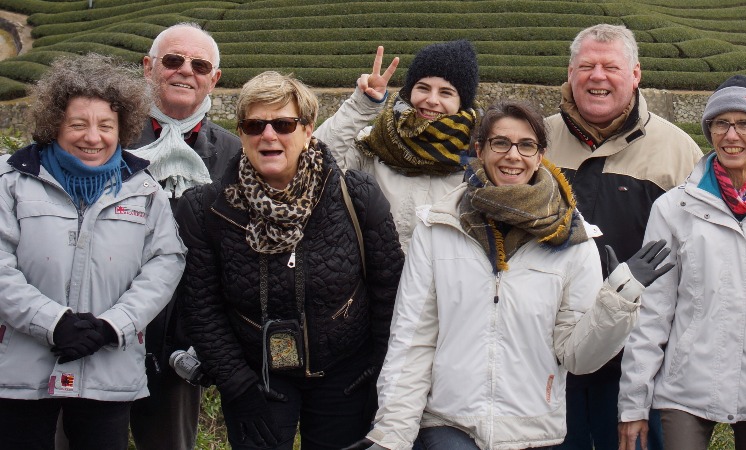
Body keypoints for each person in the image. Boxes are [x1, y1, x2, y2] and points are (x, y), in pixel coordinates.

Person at [353, 100, 673, 450]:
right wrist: (392, 436)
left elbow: (579, 357)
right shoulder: (437, 228)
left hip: (533, 428)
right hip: (449, 421)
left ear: (540, 155)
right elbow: (412, 340)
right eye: (500, 143)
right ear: (480, 149)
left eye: (526, 145)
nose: (512, 155)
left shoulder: (574, 239)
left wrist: (620, 298)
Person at [175, 70, 404, 449]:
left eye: (283, 123)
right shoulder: (206, 209)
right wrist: (236, 385)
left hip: (345, 377)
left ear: (308, 129)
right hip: (258, 377)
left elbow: (389, 289)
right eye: (254, 125)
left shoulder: (355, 195)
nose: (268, 135)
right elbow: (201, 306)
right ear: (242, 132)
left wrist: (376, 368)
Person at [0, 53, 186, 449]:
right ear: (55, 125)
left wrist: (110, 326)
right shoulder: (10, 180)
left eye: (106, 125)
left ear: (122, 129)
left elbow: (165, 263)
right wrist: (54, 323)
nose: (92, 137)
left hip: (108, 369)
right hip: (19, 373)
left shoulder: (143, 188)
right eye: (78, 124)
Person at [618, 75, 746, 450]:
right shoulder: (673, 209)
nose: (731, 135)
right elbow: (652, 313)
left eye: (745, 124)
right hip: (687, 386)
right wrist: (633, 405)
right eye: (721, 123)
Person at [545, 24, 703, 450]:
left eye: (610, 66)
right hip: (551, 348)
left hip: (639, 353)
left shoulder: (677, 150)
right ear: (570, 72)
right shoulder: (534, 143)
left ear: (635, 74)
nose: (597, 76)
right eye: (586, 66)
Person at [127, 22, 241, 450]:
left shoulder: (233, 153)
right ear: (148, 67)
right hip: (101, 327)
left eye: (199, 65)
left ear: (214, 79)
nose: (185, 71)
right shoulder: (105, 137)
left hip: (181, 341)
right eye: (173, 60)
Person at [315, 39, 479, 251]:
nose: (431, 100)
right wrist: (362, 105)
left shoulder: (475, 158)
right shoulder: (374, 142)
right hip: (374, 277)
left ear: (461, 102)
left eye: (446, 93)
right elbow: (315, 159)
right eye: (423, 88)